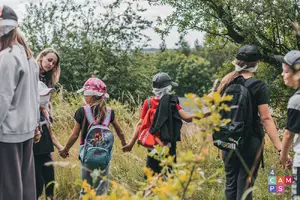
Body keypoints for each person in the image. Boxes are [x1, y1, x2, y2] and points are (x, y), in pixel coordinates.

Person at [217, 45, 283, 200]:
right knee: (245, 187)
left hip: (228, 141)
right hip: (250, 142)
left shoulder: (226, 82)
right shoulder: (258, 86)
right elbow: (266, 119)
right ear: (256, 63)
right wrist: (280, 148)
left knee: (230, 185)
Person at [59, 77, 127, 195]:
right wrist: (124, 144)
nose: (84, 97)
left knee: (86, 187)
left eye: (85, 93)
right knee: (101, 188)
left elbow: (75, 135)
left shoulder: (81, 111)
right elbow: (120, 132)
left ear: (91, 95)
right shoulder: (109, 112)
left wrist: (65, 150)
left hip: (87, 155)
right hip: (105, 155)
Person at [122, 72, 198, 175]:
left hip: (152, 146)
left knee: (152, 178)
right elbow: (188, 118)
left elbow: (139, 125)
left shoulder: (148, 102)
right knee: (168, 177)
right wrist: (208, 113)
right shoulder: (171, 102)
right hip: (168, 147)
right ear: (168, 88)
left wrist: (131, 144)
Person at [0, 5, 40, 200]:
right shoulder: (27, 56)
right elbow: (35, 96)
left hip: (7, 133)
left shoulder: (6, 57)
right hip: (25, 130)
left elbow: (2, 97)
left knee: (8, 189)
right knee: (25, 187)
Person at [34, 81, 64, 200]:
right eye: (43, 95)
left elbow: (51, 136)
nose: (46, 97)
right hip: (34, 155)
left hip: (46, 154)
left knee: (50, 184)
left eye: (47, 95)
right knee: (37, 186)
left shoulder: (46, 114)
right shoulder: (30, 113)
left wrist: (62, 148)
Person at [276, 51, 300, 200]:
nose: (282, 74)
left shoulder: (296, 101)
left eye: (285, 71)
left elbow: (289, 133)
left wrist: (283, 156)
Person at [36, 48, 61, 121]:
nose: (51, 64)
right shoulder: (32, 71)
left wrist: (50, 113)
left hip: (43, 116)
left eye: (54, 63)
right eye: (49, 60)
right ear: (42, 57)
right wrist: (42, 109)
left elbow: (48, 100)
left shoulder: (48, 78)